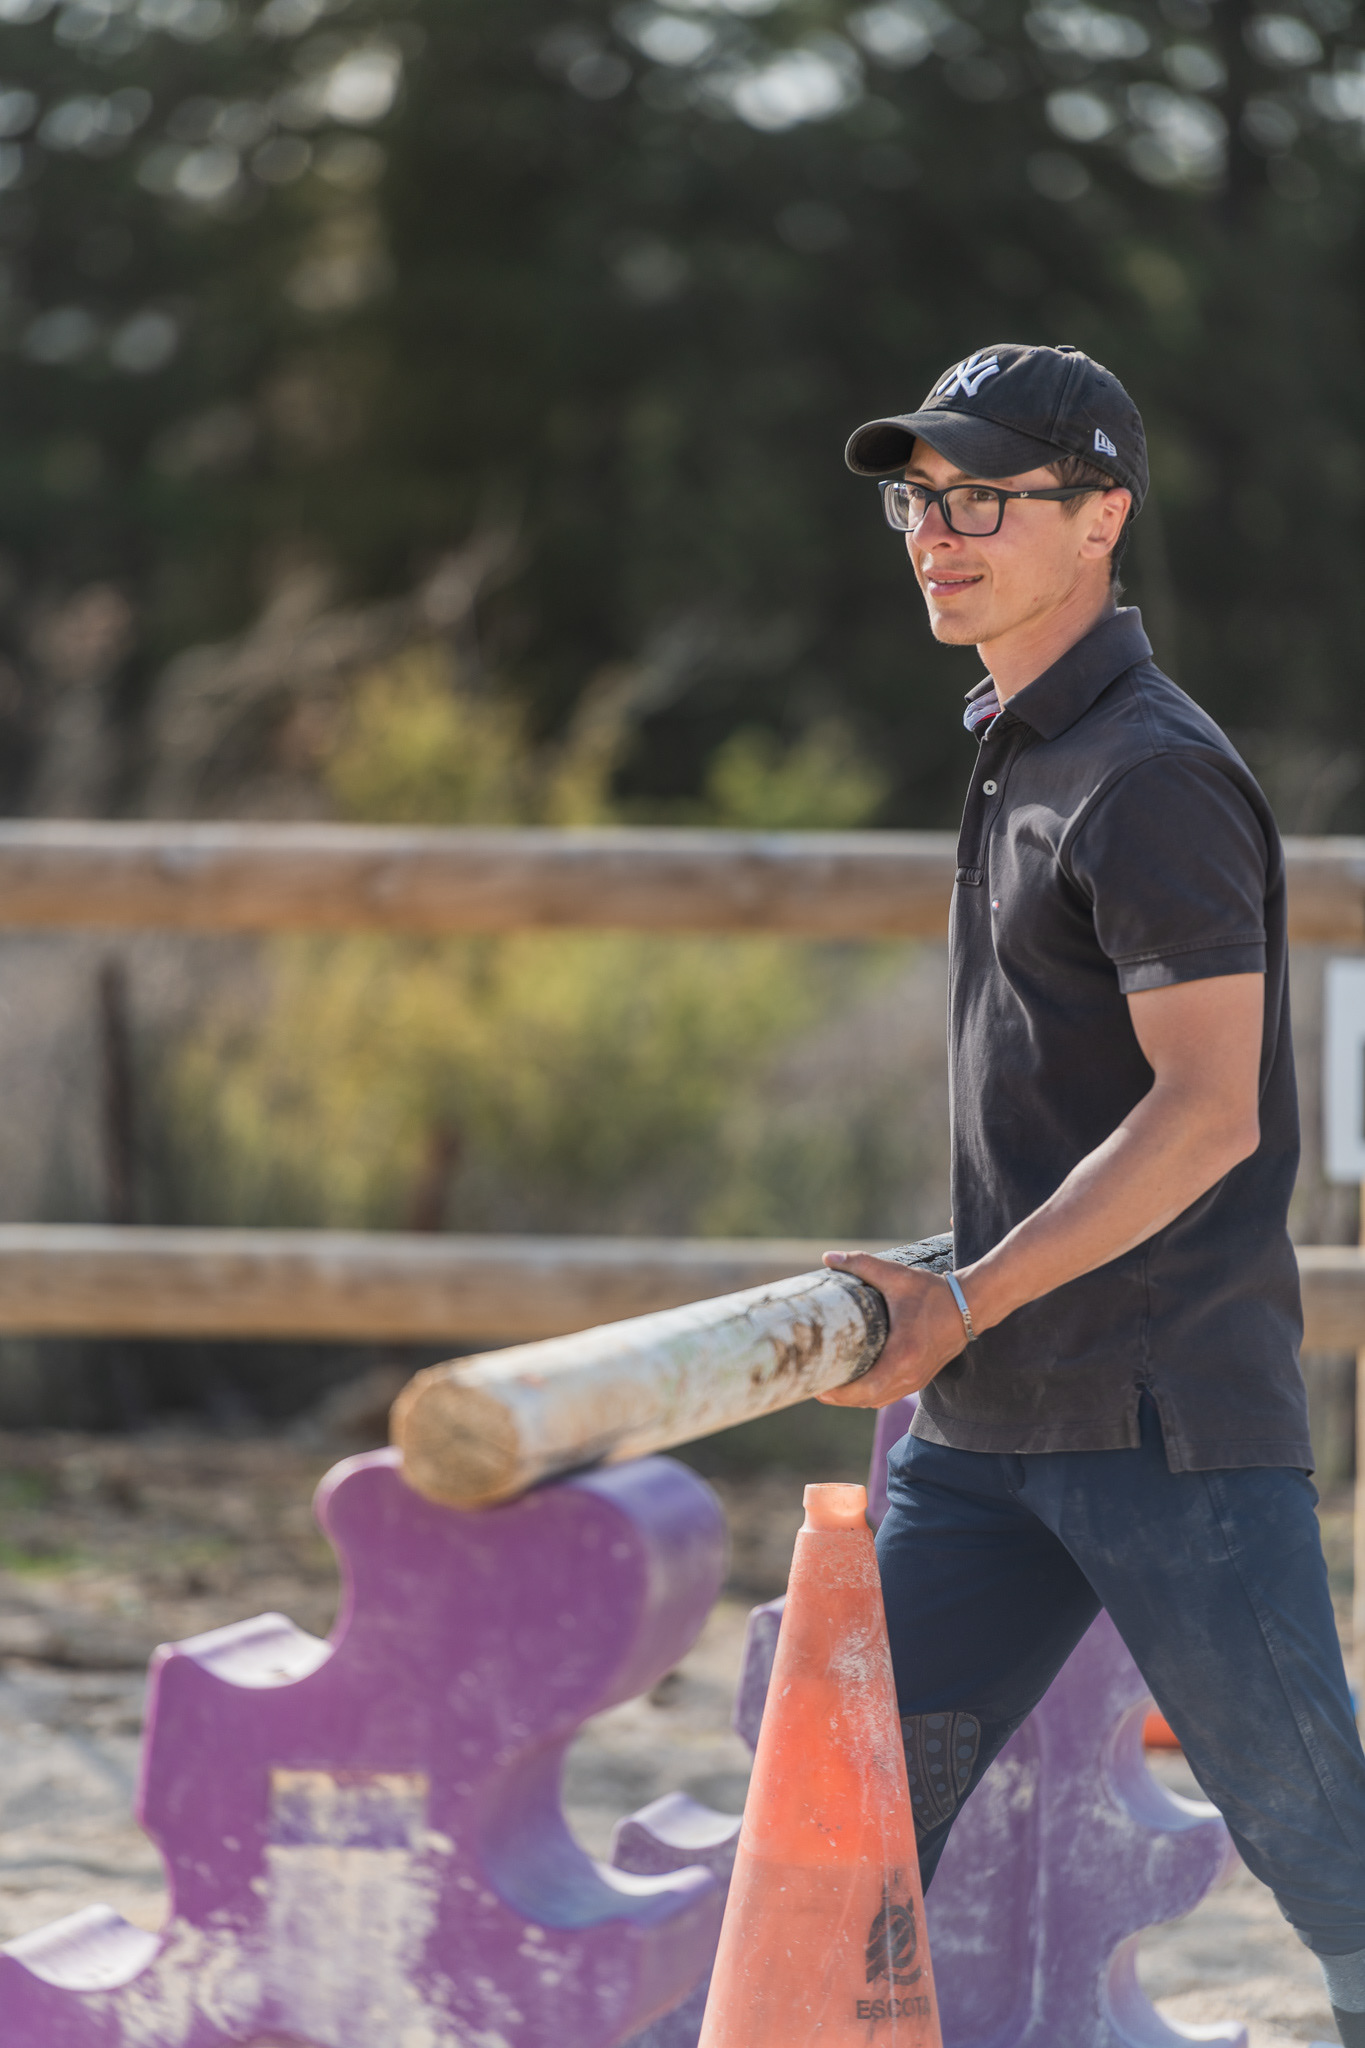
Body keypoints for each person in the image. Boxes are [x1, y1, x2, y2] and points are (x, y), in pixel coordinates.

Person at [823, 341, 1365, 2047]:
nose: (937, 534)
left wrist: (962, 1295)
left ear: (1101, 515)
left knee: (1329, 1864)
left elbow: (1204, 1118)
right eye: (920, 500)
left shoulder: (1149, 774)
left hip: (1160, 1421)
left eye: (984, 498)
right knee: (837, 1831)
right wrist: (953, 1291)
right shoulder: (1018, 743)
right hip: (985, 1428)